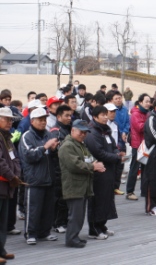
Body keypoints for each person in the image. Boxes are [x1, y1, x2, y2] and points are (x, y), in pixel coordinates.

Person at [58, 120, 106, 248]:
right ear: (73, 130)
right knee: (75, 215)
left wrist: (97, 164)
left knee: (79, 215)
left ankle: (74, 237)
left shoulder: (80, 145)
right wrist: (93, 166)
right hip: (74, 186)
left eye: (85, 132)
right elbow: (75, 165)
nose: (83, 134)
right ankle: (71, 239)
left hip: (83, 186)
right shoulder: (67, 146)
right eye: (81, 132)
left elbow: (90, 158)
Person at [19, 107, 59, 245]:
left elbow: (53, 155)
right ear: (32, 121)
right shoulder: (26, 136)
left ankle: (45, 232)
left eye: (44, 120)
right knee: (33, 209)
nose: (43, 122)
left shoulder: (48, 134)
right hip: (34, 179)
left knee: (48, 209)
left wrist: (54, 150)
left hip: (48, 178)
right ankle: (31, 233)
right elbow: (29, 155)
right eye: (40, 120)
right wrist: (45, 147)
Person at [84, 106, 123, 240]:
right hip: (99, 171)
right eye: (103, 115)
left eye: (106, 114)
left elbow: (113, 146)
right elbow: (98, 152)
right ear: (95, 117)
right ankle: (93, 229)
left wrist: (117, 153)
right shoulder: (92, 132)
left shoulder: (105, 131)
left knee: (106, 199)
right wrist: (116, 157)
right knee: (97, 200)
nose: (106, 117)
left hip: (109, 169)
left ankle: (101, 225)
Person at [0, 108, 21, 262]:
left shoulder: (7, 137)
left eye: (11, 119)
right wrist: (12, 176)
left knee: (3, 221)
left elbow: (15, 159)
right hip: (2, 183)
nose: (9, 122)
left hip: (7, 185)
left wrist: (17, 174)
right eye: (6, 119)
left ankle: (1, 249)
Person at [48, 105, 73, 234]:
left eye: (70, 115)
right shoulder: (56, 131)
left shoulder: (68, 129)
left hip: (66, 169)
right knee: (59, 198)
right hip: (58, 169)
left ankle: (63, 221)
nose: (69, 118)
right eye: (66, 116)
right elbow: (58, 152)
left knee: (65, 197)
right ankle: (57, 223)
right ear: (58, 117)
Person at [126, 94, 151, 201]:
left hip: (146, 144)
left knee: (146, 169)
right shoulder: (135, 114)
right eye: (146, 101)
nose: (148, 103)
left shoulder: (147, 113)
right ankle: (129, 191)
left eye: (149, 101)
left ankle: (144, 190)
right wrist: (150, 123)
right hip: (137, 145)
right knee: (134, 169)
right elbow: (140, 127)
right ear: (140, 102)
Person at [111, 91, 129, 195]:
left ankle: (117, 183)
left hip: (123, 137)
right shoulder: (112, 110)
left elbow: (127, 122)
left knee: (122, 160)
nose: (118, 100)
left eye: (119, 98)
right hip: (115, 137)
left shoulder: (125, 109)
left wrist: (125, 132)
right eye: (116, 98)